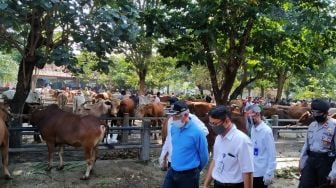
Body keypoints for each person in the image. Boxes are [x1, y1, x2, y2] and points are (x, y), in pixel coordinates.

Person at [203, 105, 254, 188]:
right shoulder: (218, 138)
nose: (212, 127)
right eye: (211, 123)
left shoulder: (242, 141)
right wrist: (206, 185)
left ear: (226, 121)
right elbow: (215, 161)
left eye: (215, 124)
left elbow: (248, 172)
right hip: (218, 183)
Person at [162, 101, 209, 188]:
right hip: (172, 170)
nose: (173, 119)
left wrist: (195, 170)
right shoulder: (173, 128)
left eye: (177, 117)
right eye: (172, 116)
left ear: (186, 115)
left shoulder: (197, 133)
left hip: (189, 175)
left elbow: (204, 157)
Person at [298, 99, 336, 188]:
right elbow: (306, 146)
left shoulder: (334, 126)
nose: (315, 115)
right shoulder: (312, 126)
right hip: (311, 161)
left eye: (318, 113)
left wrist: (334, 172)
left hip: (326, 162)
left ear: (326, 113)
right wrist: (302, 162)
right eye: (313, 112)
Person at [246, 105, 276, 188]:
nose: (249, 119)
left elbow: (272, 153)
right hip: (252, 170)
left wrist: (269, 173)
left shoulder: (266, 131)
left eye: (250, 116)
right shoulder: (252, 129)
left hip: (261, 172)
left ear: (257, 114)